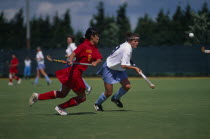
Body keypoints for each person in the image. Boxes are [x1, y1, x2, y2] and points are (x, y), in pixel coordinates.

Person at [29, 27, 103, 115]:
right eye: (97, 35)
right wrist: (71, 60)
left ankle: (37, 96)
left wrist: (96, 62)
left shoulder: (94, 47)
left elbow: (99, 59)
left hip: (74, 74)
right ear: (92, 36)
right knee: (82, 97)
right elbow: (73, 54)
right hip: (74, 74)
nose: (98, 37)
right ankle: (61, 107)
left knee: (62, 93)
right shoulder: (84, 45)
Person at [94, 32, 141, 111]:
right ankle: (97, 104)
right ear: (130, 40)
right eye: (135, 41)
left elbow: (125, 59)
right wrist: (135, 68)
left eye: (137, 41)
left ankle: (115, 98)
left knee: (127, 86)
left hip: (118, 69)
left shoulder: (126, 45)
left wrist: (134, 65)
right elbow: (124, 65)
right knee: (108, 92)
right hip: (109, 68)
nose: (137, 43)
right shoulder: (127, 48)